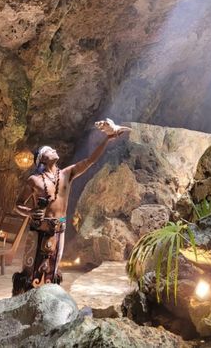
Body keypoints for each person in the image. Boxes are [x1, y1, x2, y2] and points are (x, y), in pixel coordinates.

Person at [12, 118, 130, 296]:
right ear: (42, 158)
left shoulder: (66, 174)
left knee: (51, 270)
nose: (55, 150)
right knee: (33, 271)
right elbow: (18, 205)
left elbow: (90, 161)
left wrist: (108, 138)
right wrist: (30, 212)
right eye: (50, 150)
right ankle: (25, 302)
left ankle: (48, 303)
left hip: (59, 230)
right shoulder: (34, 180)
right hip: (39, 231)